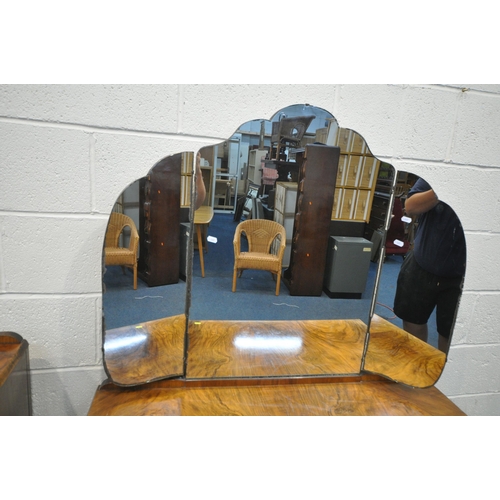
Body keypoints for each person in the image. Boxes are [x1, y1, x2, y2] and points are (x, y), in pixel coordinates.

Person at [393, 178, 466, 352]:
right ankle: (417, 371)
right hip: (422, 262)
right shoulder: (442, 170)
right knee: (412, 324)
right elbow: (410, 207)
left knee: (450, 335)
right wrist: (445, 187)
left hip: (461, 274)